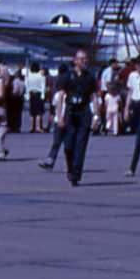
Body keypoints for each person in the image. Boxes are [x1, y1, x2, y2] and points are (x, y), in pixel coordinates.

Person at [57, 50, 97, 186]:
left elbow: (94, 97)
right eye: (81, 59)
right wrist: (59, 117)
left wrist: (96, 116)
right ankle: (70, 166)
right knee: (68, 145)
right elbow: (61, 97)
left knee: (81, 145)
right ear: (75, 61)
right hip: (70, 112)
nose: (84, 61)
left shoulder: (90, 77)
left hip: (84, 112)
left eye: (86, 59)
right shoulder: (67, 76)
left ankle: (76, 174)